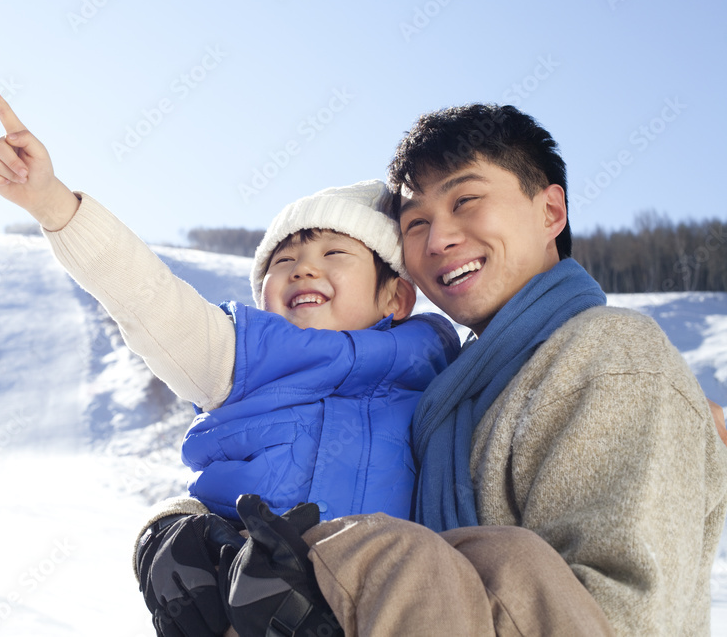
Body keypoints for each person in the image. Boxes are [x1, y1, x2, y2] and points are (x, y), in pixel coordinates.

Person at [209, 104, 727, 636]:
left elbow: (624, 621)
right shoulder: (451, 389)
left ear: (550, 212)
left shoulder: (607, 356)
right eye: (417, 224)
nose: (439, 241)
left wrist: (352, 576)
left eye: (466, 201)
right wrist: (182, 531)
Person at [0, 83, 459, 635]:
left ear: (395, 297)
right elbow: (147, 297)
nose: (303, 268)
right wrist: (53, 205)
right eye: (284, 260)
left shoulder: (440, 381)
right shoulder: (242, 358)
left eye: (333, 253)